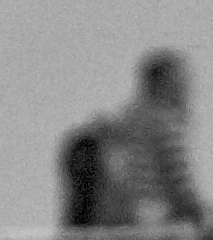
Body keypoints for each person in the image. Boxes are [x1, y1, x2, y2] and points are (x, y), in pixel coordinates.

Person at [60, 49, 205, 230]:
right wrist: (203, 215)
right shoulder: (164, 120)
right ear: (166, 84)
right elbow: (178, 178)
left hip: (111, 214)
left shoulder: (125, 119)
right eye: (182, 81)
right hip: (151, 212)